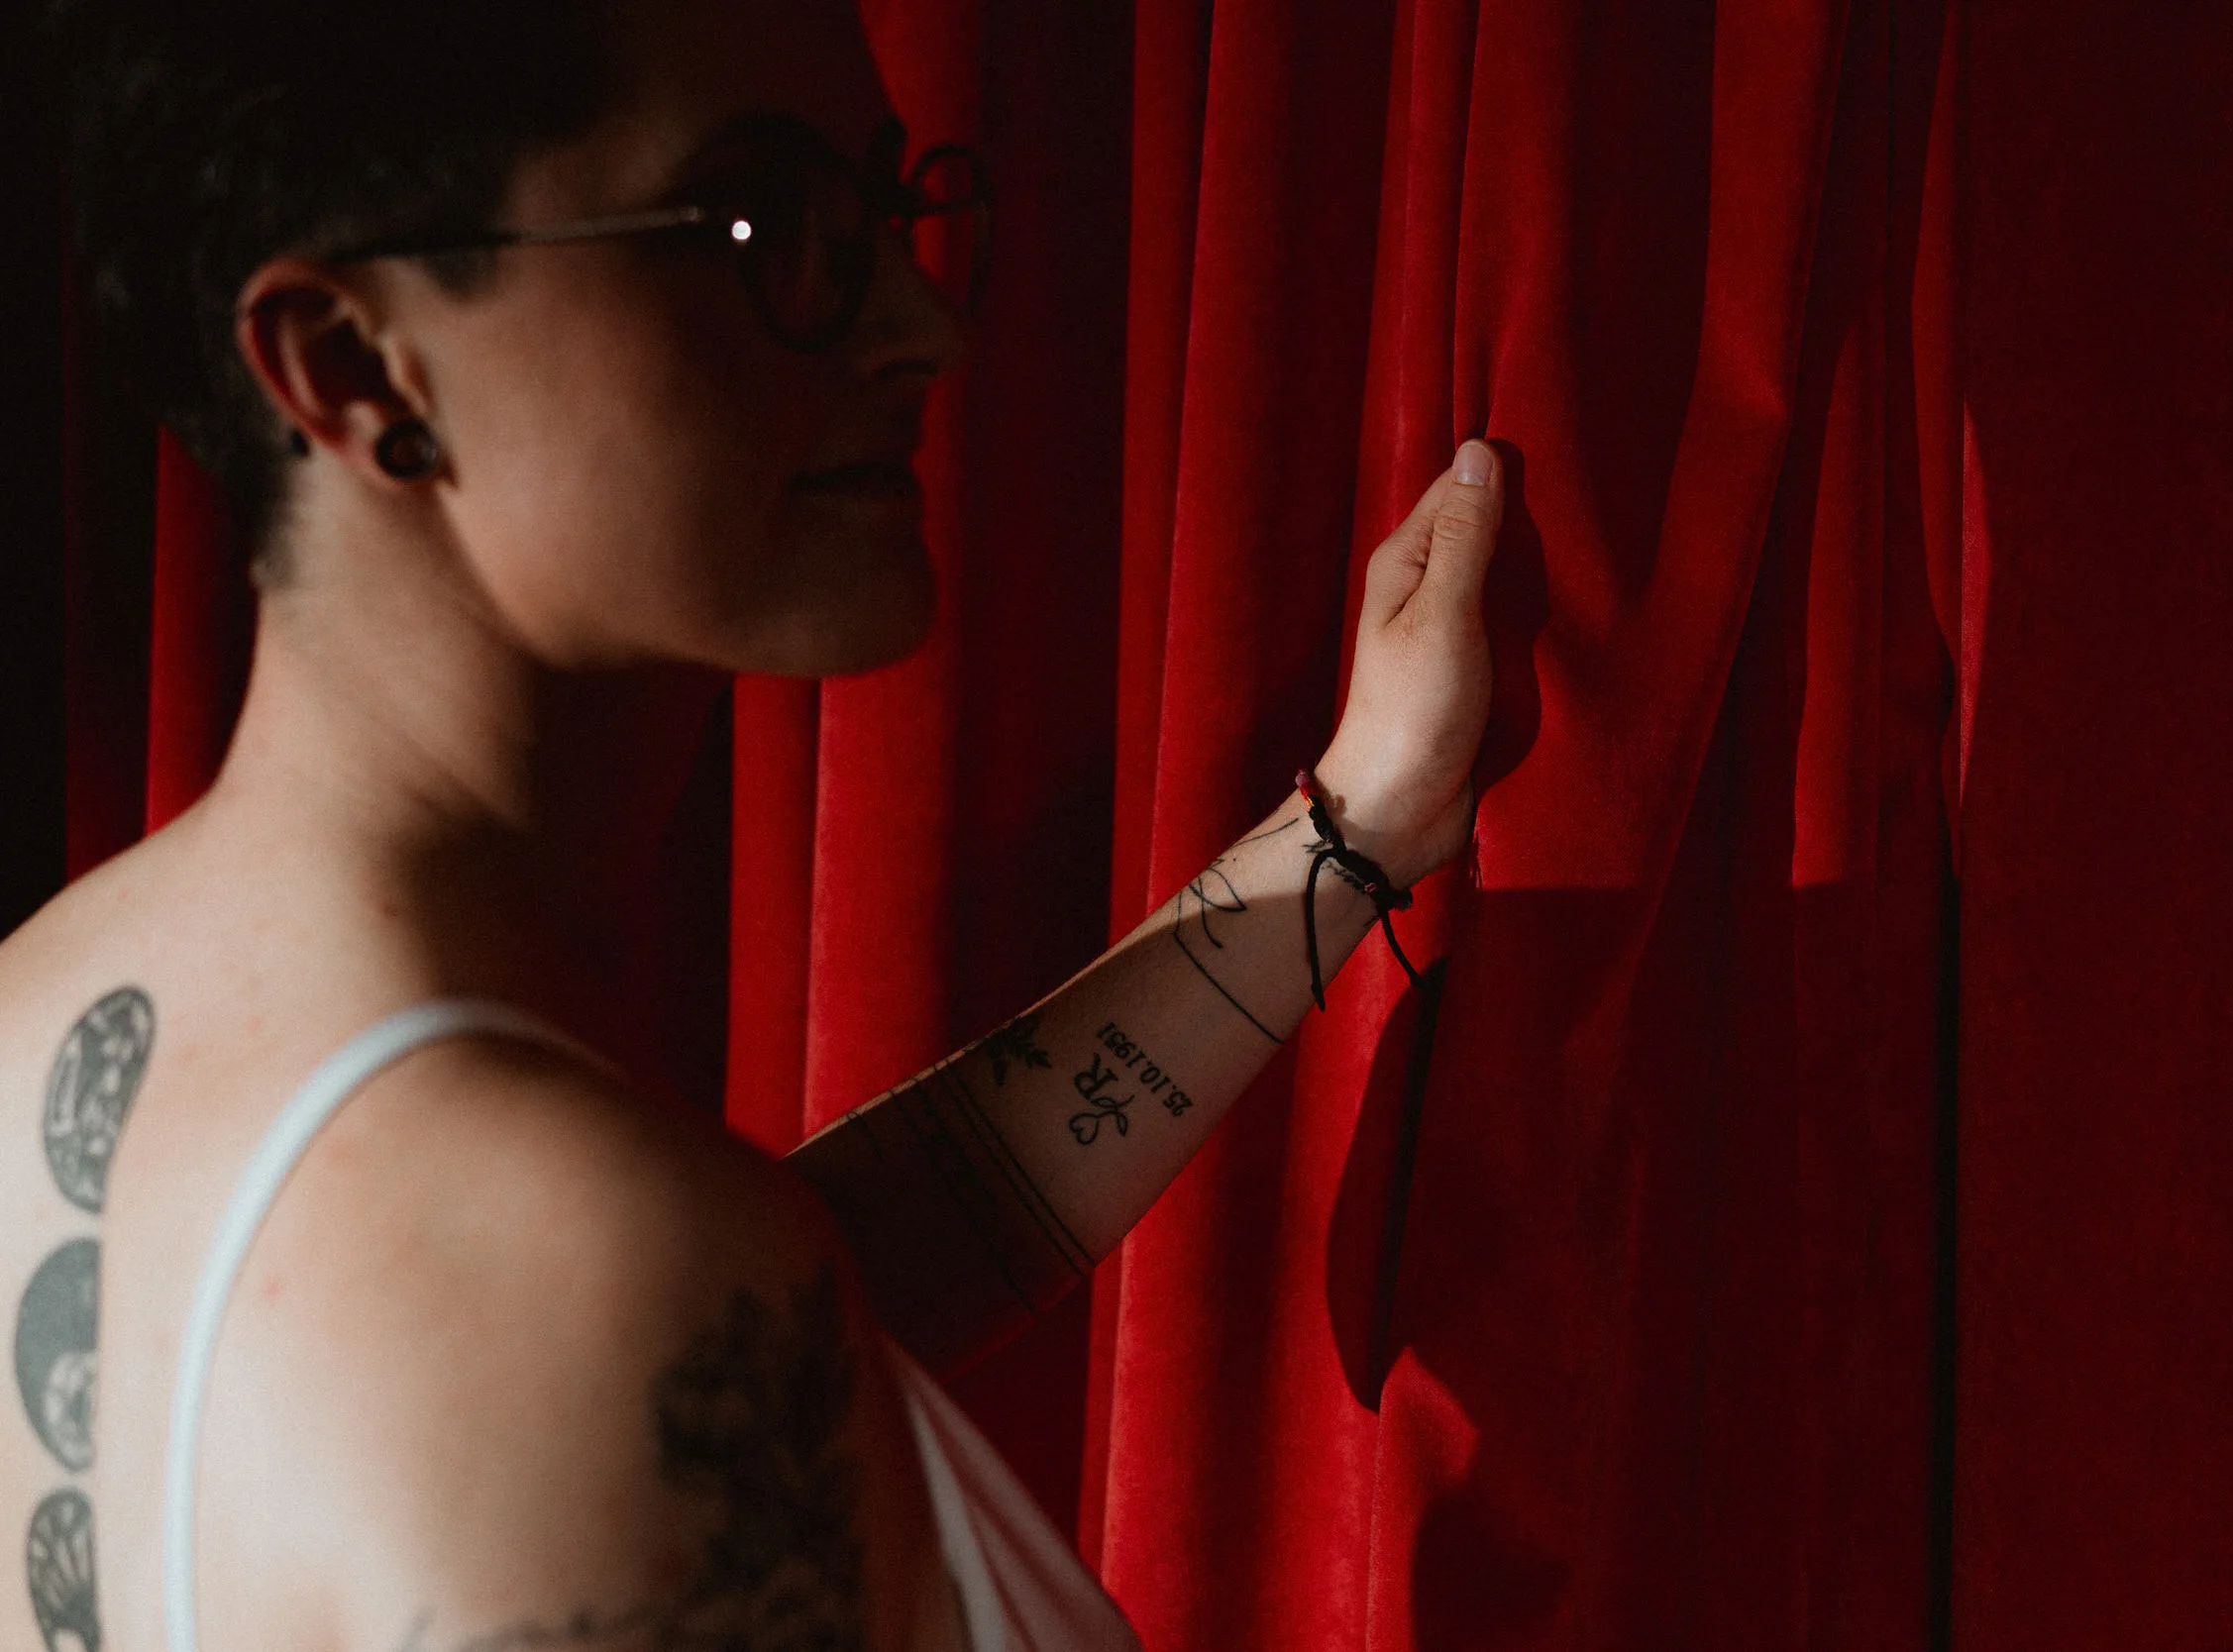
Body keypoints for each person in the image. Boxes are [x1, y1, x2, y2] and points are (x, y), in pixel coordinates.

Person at [0, 2, 1501, 1648]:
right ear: (354, 367)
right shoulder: (581, 1274)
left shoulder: (62, 1020)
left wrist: (1359, 820)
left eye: (883, 208)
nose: (924, 323)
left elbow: (855, 1255)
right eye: (758, 224)